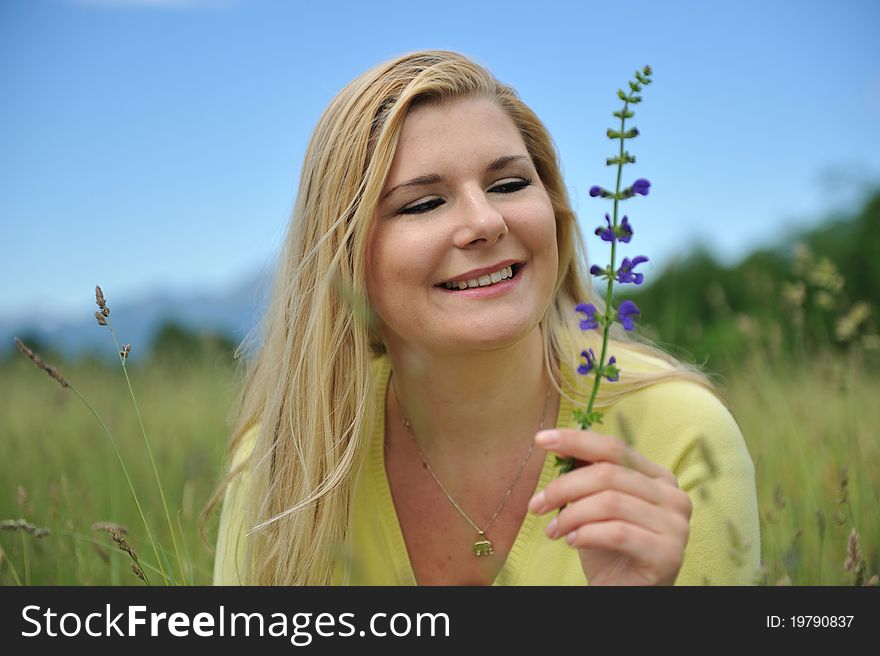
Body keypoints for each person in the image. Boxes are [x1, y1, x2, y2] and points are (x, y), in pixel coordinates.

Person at [205, 49, 761, 586]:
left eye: (509, 184)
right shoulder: (286, 462)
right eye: (423, 203)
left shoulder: (679, 432)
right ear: (346, 259)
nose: (485, 221)